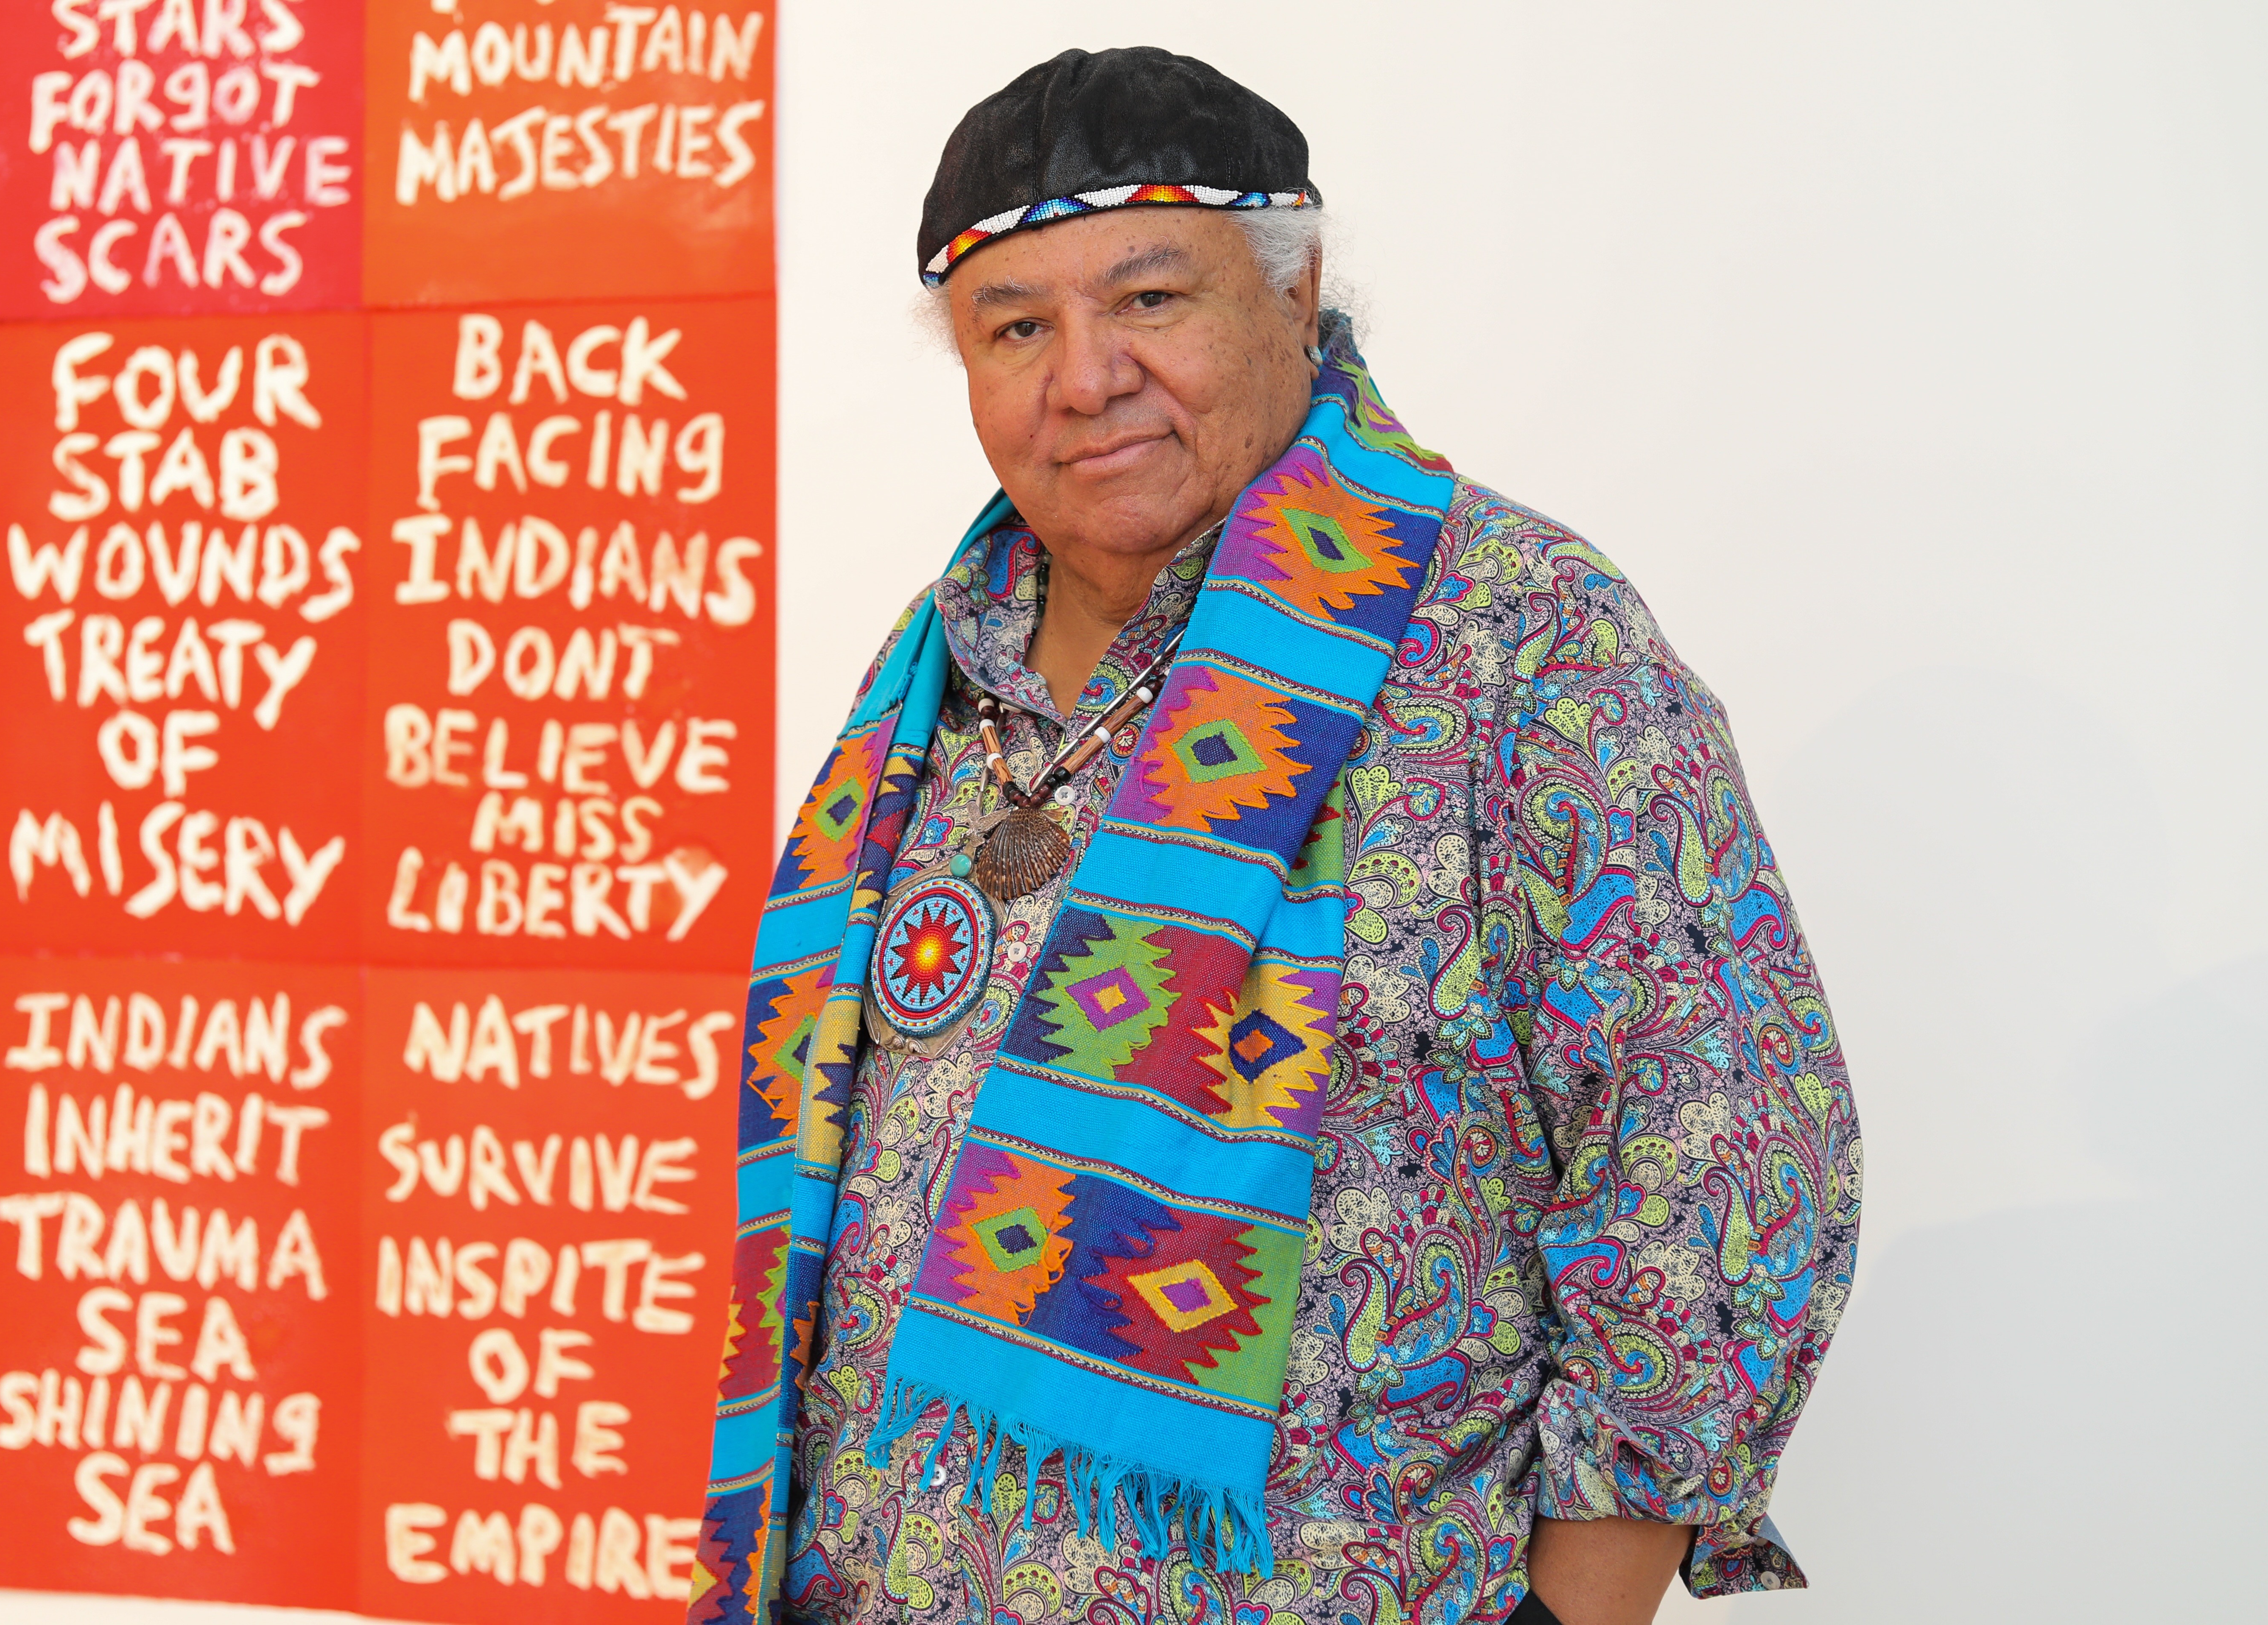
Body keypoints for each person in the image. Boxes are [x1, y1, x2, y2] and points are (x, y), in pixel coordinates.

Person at [688, 46, 1860, 1625]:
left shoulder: (1519, 643)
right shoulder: (930, 686)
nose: (1085, 376)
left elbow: (1723, 1152)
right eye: (1016, 327)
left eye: (1151, 300)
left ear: (1298, 304)